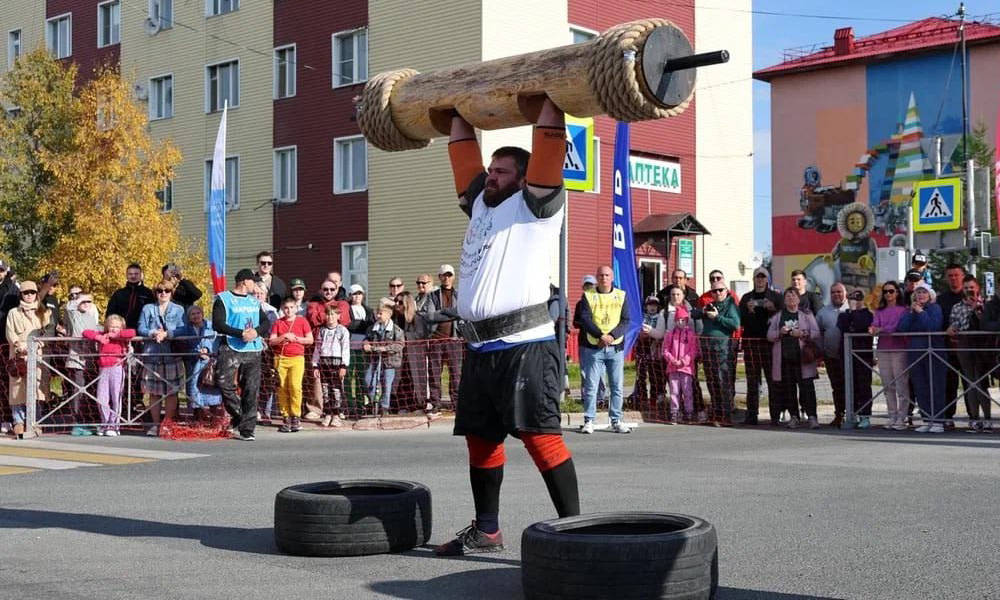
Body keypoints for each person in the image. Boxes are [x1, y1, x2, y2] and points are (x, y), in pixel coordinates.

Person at [435, 99, 580, 557]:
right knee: (480, 438)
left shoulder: (538, 205)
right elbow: (462, 155)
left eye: (500, 171)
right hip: (480, 349)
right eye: (491, 169)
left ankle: (579, 534)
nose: (490, 176)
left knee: (540, 437)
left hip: (526, 346)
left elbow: (549, 144)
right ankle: (488, 530)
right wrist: (454, 108)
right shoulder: (482, 203)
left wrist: (552, 102)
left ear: (524, 176)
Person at [213, 269, 270, 441]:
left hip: (252, 348)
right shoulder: (223, 299)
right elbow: (218, 324)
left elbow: (266, 321)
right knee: (223, 382)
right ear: (245, 281)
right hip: (231, 346)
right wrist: (240, 333)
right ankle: (240, 414)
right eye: (253, 281)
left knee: (251, 388)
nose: (256, 284)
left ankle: (247, 429)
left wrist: (256, 332)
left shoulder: (254, 301)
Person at [577, 265, 632, 434]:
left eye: (607, 275)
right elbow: (584, 319)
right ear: (597, 277)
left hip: (615, 347)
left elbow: (625, 320)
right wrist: (600, 335)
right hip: (594, 346)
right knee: (591, 385)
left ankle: (616, 420)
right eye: (601, 275)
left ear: (612, 277)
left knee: (616, 386)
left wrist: (611, 336)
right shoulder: (588, 296)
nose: (604, 278)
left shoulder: (621, 296)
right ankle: (589, 420)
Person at [767, 287, 821, 429]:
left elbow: (816, 332)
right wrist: (780, 332)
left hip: (803, 359)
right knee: (789, 389)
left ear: (799, 298)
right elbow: (770, 335)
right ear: (784, 300)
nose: (791, 298)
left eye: (793, 295)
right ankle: (794, 416)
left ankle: (812, 416)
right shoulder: (779, 315)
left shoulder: (806, 314)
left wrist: (802, 333)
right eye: (788, 296)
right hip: (785, 359)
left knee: (807, 389)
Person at [137, 279, 185, 436]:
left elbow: (183, 329)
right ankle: (155, 423)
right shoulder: (148, 308)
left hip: (171, 354)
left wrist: (167, 334)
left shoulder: (179, 309)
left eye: (167, 290)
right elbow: (141, 328)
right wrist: (153, 333)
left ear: (172, 293)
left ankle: (167, 423)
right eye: (160, 290)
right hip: (152, 354)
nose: (163, 293)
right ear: (155, 293)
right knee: (154, 392)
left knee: (172, 392)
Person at [897, 282, 946, 433]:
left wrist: (920, 312)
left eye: (923, 292)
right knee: (920, 386)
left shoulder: (935, 308)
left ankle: (938, 420)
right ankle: (926, 419)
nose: (920, 295)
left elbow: (933, 326)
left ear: (930, 295)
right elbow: (902, 328)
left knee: (935, 386)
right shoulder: (911, 311)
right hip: (915, 353)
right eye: (917, 292)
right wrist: (912, 313)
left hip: (933, 352)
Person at [5, 281, 51, 437]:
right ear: (21, 295)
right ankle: (18, 421)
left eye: (32, 292)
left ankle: (35, 422)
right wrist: (18, 346)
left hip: (38, 355)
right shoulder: (13, 312)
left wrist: (37, 346)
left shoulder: (44, 311)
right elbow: (10, 332)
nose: (29, 295)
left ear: (36, 294)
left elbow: (47, 332)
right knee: (17, 389)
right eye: (26, 293)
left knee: (37, 389)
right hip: (18, 355)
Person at [738, 267, 782, 425]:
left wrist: (772, 309)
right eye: (758, 277)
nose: (760, 279)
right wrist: (749, 311)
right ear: (753, 279)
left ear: (767, 279)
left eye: (763, 277)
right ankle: (751, 415)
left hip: (769, 343)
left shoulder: (775, 297)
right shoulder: (746, 297)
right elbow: (741, 321)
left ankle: (775, 416)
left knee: (773, 380)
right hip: (751, 342)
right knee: (752, 381)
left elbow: (782, 318)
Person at [947, 275, 991, 432]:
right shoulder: (957, 307)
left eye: (971, 287)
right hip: (964, 344)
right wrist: (951, 329)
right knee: (970, 382)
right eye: (966, 288)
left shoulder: (986, 304)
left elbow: (987, 323)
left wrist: (977, 309)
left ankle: (987, 419)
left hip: (982, 345)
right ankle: (974, 419)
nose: (969, 291)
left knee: (981, 382)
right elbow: (954, 324)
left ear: (977, 287)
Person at [694, 282, 740, 425]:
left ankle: (726, 415)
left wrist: (717, 317)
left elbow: (735, 324)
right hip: (708, 349)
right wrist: (703, 312)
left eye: (720, 290)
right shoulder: (710, 305)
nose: (718, 293)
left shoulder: (731, 306)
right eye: (714, 291)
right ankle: (716, 412)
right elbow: (693, 313)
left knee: (723, 382)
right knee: (712, 381)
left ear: (726, 291)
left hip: (723, 350)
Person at [82, 315, 135, 436]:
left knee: (116, 397)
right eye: (111, 326)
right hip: (103, 369)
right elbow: (86, 332)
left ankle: (114, 425)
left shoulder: (121, 336)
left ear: (121, 327)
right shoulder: (103, 334)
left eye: (117, 327)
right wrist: (98, 337)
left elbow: (132, 332)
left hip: (117, 368)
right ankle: (104, 423)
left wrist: (116, 335)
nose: (113, 329)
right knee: (101, 398)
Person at [869, 281, 910, 430]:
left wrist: (881, 329)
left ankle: (903, 416)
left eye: (891, 291)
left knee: (901, 384)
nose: (888, 294)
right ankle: (892, 415)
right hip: (883, 348)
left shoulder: (904, 310)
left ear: (897, 293)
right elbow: (875, 323)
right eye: (885, 292)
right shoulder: (879, 311)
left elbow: (898, 327)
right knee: (888, 384)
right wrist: (874, 329)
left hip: (899, 348)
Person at [269, 297, 313, 433]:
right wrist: (284, 337)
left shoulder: (302, 321)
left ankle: (295, 415)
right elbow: (272, 341)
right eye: (286, 308)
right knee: (282, 387)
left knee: (295, 386)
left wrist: (297, 338)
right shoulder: (278, 323)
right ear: (282, 309)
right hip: (281, 358)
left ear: (295, 308)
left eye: (291, 307)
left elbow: (310, 339)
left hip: (297, 358)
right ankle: (285, 415)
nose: (288, 310)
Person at [177, 305, 224, 423]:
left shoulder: (211, 326)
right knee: (194, 390)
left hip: (209, 364)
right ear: (189, 317)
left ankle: (213, 418)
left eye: (198, 313)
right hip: (193, 363)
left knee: (211, 388)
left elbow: (217, 341)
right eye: (193, 314)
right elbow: (178, 338)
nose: (196, 316)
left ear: (202, 314)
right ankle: (197, 419)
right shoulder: (186, 329)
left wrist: (207, 350)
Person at [426, 264, 463, 409]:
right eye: (444, 275)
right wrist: (450, 313)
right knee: (435, 372)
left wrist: (443, 311)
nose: (446, 278)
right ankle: (435, 402)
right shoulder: (433, 295)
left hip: (454, 339)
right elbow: (430, 316)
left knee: (456, 373)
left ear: (453, 277)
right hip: (436, 339)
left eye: (449, 275)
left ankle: (456, 403)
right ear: (439, 277)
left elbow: (461, 312)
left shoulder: (459, 295)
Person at [64, 290, 101, 432]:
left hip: (91, 360)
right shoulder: (74, 314)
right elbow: (69, 307)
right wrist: (77, 299)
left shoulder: (91, 316)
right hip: (77, 359)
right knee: (78, 391)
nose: (86, 304)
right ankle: (77, 421)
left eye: (89, 302)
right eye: (83, 302)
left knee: (91, 391)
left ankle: (90, 419)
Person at [937, 263, 968, 427]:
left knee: (971, 383)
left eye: (956, 275)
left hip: (968, 348)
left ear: (963, 276)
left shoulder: (972, 295)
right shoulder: (941, 299)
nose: (953, 278)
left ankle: (975, 418)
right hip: (947, 348)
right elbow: (938, 322)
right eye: (950, 275)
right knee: (949, 384)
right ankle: (948, 416)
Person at [394, 291, 434, 414]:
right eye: (396, 301)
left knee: (416, 379)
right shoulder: (395, 318)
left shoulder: (417, 318)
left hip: (415, 354)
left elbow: (420, 335)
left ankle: (419, 403)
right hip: (401, 355)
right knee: (401, 379)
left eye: (400, 302)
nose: (397, 304)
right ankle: (402, 404)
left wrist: (402, 336)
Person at [838, 289, 874, 428]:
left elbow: (860, 325)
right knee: (849, 385)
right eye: (853, 299)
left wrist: (854, 311)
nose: (856, 302)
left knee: (863, 385)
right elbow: (843, 326)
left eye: (859, 299)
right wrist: (851, 312)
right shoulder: (843, 315)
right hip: (846, 354)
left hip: (863, 355)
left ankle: (865, 415)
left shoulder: (868, 315)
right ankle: (851, 414)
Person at [816, 282, 849, 427]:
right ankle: (839, 414)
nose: (836, 294)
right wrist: (821, 351)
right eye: (833, 292)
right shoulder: (823, 312)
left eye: (839, 292)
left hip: (851, 357)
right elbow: (817, 333)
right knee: (837, 387)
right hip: (832, 356)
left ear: (845, 293)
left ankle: (856, 414)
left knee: (854, 386)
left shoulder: (852, 308)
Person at [312, 304, 351, 427]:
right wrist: (315, 365)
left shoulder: (342, 330)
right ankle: (327, 413)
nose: (330, 317)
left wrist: (343, 365)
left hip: (336, 362)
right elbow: (317, 349)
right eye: (328, 314)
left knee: (336, 390)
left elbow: (345, 348)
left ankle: (336, 414)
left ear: (338, 316)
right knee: (325, 390)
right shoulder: (322, 331)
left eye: (333, 314)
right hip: (324, 362)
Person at [364, 304, 403, 414]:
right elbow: (367, 338)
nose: (378, 315)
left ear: (389, 315)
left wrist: (385, 348)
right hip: (374, 359)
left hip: (389, 361)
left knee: (386, 383)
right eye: (377, 313)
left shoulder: (396, 330)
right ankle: (373, 403)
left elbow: (400, 344)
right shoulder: (372, 328)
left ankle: (384, 406)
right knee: (369, 380)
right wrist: (366, 344)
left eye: (381, 313)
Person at [663, 305, 698, 423]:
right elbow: (666, 350)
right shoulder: (670, 334)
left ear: (687, 320)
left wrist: (683, 361)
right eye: (678, 320)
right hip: (672, 368)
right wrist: (672, 360)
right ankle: (674, 412)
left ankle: (689, 412)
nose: (680, 322)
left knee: (687, 391)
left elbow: (693, 351)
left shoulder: (691, 334)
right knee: (674, 391)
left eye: (683, 320)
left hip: (686, 368)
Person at [345, 284, 375, 410]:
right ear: (350, 296)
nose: (357, 296)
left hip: (363, 348)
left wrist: (361, 327)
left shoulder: (368, 310)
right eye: (354, 294)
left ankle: (360, 401)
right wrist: (362, 325)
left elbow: (372, 327)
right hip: (349, 347)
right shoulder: (346, 309)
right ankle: (349, 403)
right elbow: (348, 325)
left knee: (361, 376)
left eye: (359, 293)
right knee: (348, 376)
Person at [633, 295, 665, 406]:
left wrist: (652, 335)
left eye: (655, 305)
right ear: (646, 306)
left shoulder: (660, 317)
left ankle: (654, 397)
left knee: (654, 374)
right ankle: (641, 397)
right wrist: (639, 334)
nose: (652, 307)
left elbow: (661, 332)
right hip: (641, 348)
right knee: (641, 374)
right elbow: (635, 330)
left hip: (654, 348)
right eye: (650, 305)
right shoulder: (642, 317)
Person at [106, 263, 155, 329]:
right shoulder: (119, 293)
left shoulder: (148, 293)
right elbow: (110, 313)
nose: (133, 276)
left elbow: (153, 314)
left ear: (141, 275)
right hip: (120, 331)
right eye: (130, 274)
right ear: (126, 275)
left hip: (141, 332)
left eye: (136, 274)